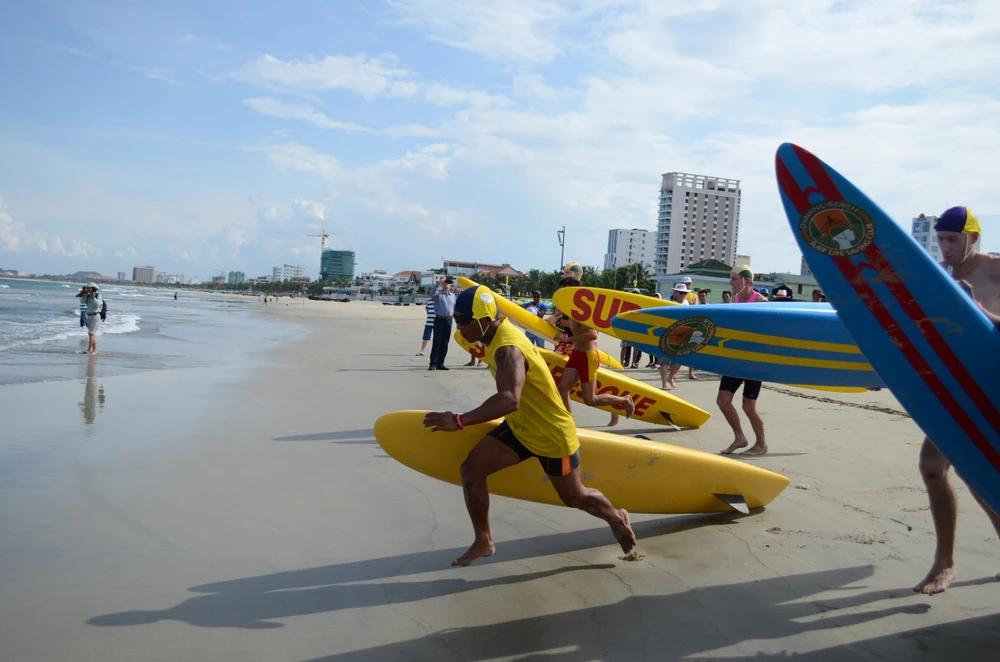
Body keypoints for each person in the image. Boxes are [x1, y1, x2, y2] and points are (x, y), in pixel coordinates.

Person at [423, 285, 636, 566]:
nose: (458, 327)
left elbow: (509, 399)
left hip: (550, 433)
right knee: (471, 470)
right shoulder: (495, 336)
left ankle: (616, 517)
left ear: (484, 321)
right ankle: (483, 541)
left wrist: (459, 420)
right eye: (455, 320)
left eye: (462, 321)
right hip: (521, 427)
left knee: (575, 497)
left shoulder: (508, 350)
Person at [914, 206, 1000, 595]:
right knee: (933, 466)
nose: (945, 247)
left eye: (953, 239)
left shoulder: (995, 270)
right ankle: (943, 562)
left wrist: (977, 312)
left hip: (993, 385)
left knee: (978, 473)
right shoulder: (941, 279)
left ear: (973, 238)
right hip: (955, 389)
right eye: (941, 239)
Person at [555, 277, 636, 425]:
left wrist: (567, 339)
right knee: (563, 390)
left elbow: (592, 334)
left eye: (563, 289)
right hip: (577, 355)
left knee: (590, 400)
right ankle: (568, 424)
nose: (560, 292)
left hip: (587, 356)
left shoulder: (583, 309)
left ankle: (624, 400)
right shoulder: (570, 308)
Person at [719, 266, 768, 456]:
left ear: (747, 281)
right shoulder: (737, 299)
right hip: (736, 360)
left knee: (748, 406)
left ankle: (761, 444)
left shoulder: (762, 302)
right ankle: (740, 438)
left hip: (754, 362)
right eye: (730, 279)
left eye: (734, 279)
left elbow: (767, 334)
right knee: (723, 401)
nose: (730, 282)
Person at [663, 284, 694, 389]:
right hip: (666, 333)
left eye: (685, 293)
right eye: (681, 293)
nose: (683, 295)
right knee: (664, 360)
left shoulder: (686, 303)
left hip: (681, 333)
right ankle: (664, 383)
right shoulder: (666, 301)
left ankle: (670, 377)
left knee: (680, 359)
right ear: (675, 292)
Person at [428, 277, 457, 371]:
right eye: (446, 283)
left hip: (449, 320)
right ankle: (433, 363)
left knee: (445, 343)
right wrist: (439, 282)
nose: (448, 284)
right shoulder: (438, 294)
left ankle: (441, 363)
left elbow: (455, 309)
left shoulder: (453, 296)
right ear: (443, 284)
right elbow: (431, 293)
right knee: (437, 342)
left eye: (449, 283)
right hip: (439, 319)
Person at [76, 282, 103, 355]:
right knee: (91, 333)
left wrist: (93, 297)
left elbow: (97, 305)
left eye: (90, 288)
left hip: (95, 316)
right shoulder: (87, 296)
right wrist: (84, 295)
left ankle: (89, 349)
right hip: (89, 315)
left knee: (91, 333)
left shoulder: (98, 296)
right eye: (88, 288)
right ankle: (94, 349)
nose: (89, 290)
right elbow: (82, 302)